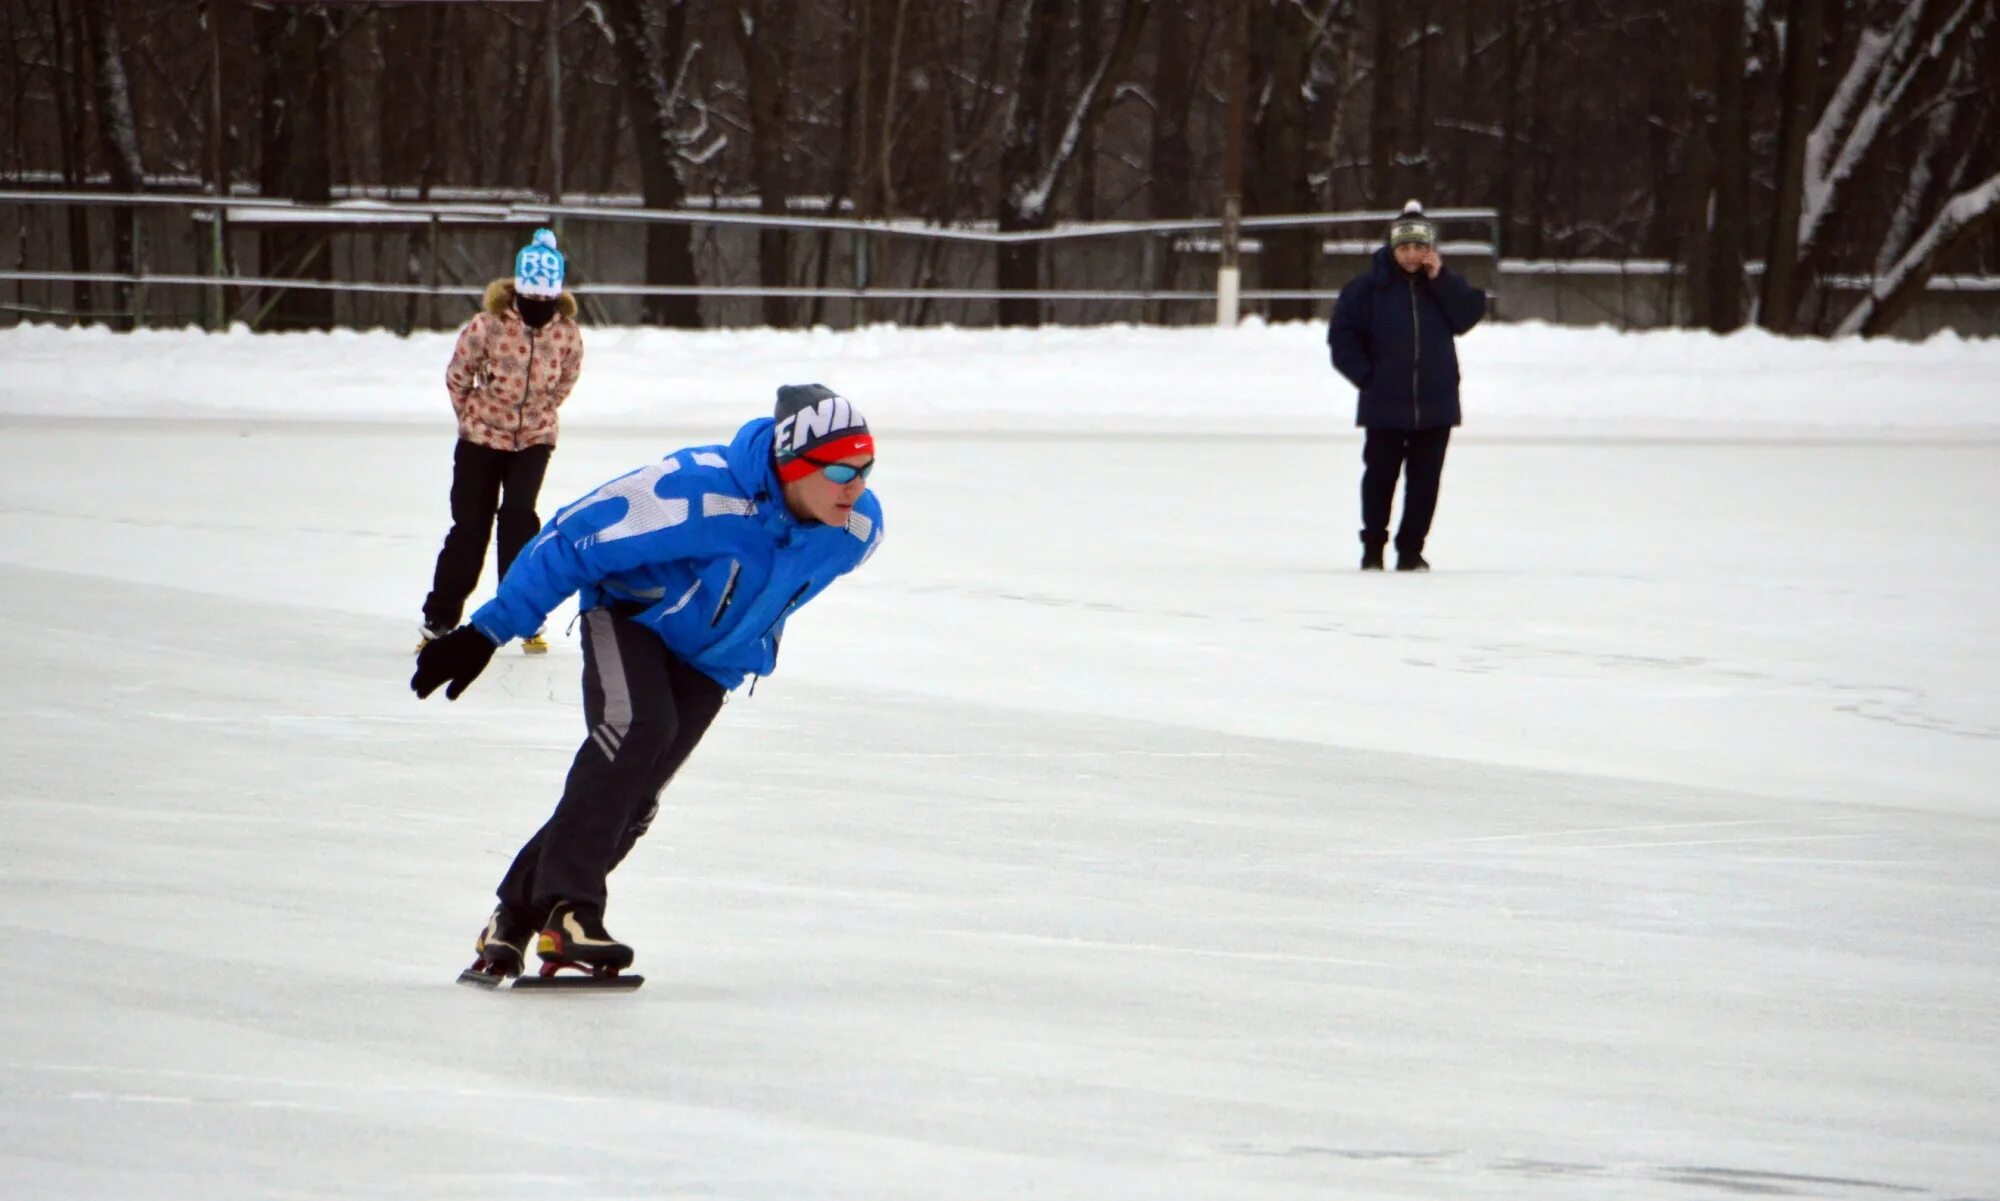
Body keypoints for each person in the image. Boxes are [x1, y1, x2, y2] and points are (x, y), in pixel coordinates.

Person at [412, 383, 885, 981]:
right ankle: (574, 911)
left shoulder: (856, 530)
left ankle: (514, 917)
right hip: (629, 617)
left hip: (713, 660)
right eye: (842, 469)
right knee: (636, 730)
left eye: (867, 467)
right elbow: (571, 536)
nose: (858, 486)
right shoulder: (697, 490)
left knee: (633, 795)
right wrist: (488, 630)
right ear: (793, 465)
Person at [419, 228, 585, 653]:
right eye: (531, 298)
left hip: (533, 440)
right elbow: (458, 373)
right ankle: (440, 616)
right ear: (517, 290)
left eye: (546, 300)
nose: (538, 308)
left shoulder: (566, 333)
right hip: (479, 438)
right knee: (471, 526)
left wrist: (541, 411)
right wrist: (472, 417)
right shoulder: (487, 325)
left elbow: (567, 378)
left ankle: (522, 613)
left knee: (518, 518)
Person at [1327, 200, 1486, 571]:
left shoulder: (1442, 286)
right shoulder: (1366, 290)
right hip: (1384, 403)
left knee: (1425, 483)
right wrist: (1367, 377)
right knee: (1380, 478)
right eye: (1404, 248)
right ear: (1392, 248)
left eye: (1419, 247)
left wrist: (1442, 280)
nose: (1411, 255)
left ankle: (1411, 549)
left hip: (1436, 403)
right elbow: (1342, 339)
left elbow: (1468, 315)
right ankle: (1373, 547)